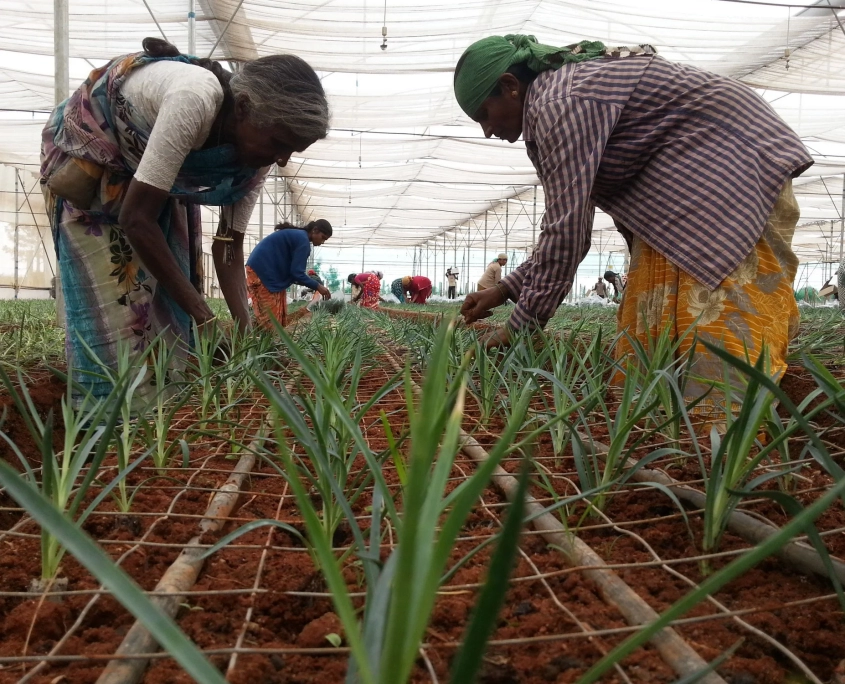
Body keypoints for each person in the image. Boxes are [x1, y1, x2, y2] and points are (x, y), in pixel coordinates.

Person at [455, 34, 812, 416]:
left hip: (728, 169)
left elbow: (569, 231)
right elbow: (561, 225)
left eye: (483, 115)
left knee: (715, 307)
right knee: (656, 313)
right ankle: (672, 426)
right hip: (686, 188)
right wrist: (507, 289)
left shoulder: (559, 102)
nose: (487, 131)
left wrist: (520, 325)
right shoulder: (552, 104)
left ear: (510, 86)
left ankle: (720, 430)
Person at [40, 36, 329, 400]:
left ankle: (162, 406)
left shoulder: (255, 162)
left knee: (171, 307)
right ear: (242, 108)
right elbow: (137, 220)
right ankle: (105, 421)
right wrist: (205, 316)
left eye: (291, 150)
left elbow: (228, 247)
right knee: (115, 314)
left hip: (155, 187)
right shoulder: (194, 100)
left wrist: (245, 332)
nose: (281, 158)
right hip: (97, 173)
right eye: (277, 143)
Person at [246, 221, 332, 330]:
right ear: (315, 230)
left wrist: (314, 285)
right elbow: (297, 273)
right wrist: (318, 286)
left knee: (279, 318)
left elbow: (295, 272)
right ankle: (263, 340)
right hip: (262, 272)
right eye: (323, 237)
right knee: (269, 321)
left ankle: (270, 338)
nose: (322, 242)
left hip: (270, 274)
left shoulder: (300, 237)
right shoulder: (303, 241)